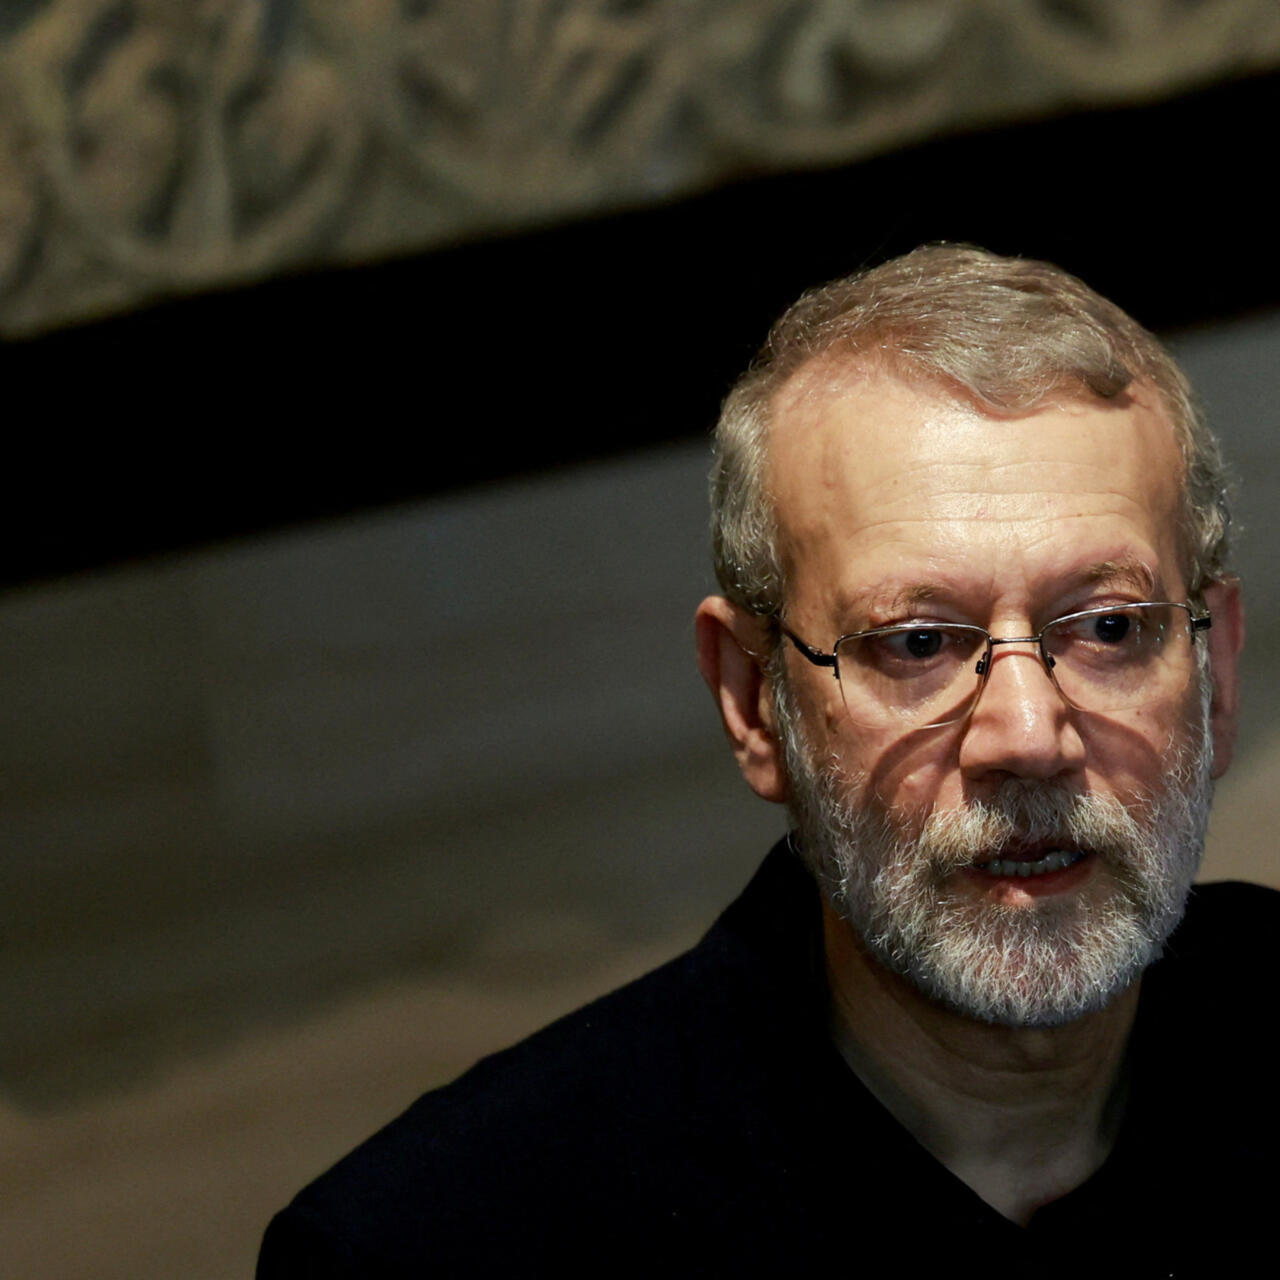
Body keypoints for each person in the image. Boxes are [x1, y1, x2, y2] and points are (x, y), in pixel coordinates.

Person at [257, 246, 1272, 1277]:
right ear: (753, 702)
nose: (1026, 734)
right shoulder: (428, 1250)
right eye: (916, 641)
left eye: (1108, 626)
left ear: (1216, 671)